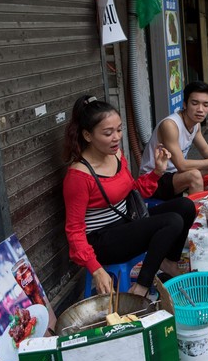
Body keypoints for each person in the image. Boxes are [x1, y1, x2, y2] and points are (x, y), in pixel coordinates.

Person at [63, 95, 196, 297]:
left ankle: (167, 262)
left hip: (126, 223)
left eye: (119, 129)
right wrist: (96, 269)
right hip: (103, 241)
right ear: (88, 136)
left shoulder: (116, 155)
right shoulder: (79, 175)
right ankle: (141, 287)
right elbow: (74, 232)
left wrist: (157, 172)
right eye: (108, 133)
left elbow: (134, 191)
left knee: (185, 206)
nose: (116, 137)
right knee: (172, 221)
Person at [139, 81, 208, 200]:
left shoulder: (195, 125)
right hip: (153, 180)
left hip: (174, 175)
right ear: (185, 104)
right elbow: (182, 165)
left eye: (205, 104)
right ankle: (196, 216)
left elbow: (206, 150)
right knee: (194, 175)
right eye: (194, 103)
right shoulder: (170, 125)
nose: (200, 109)